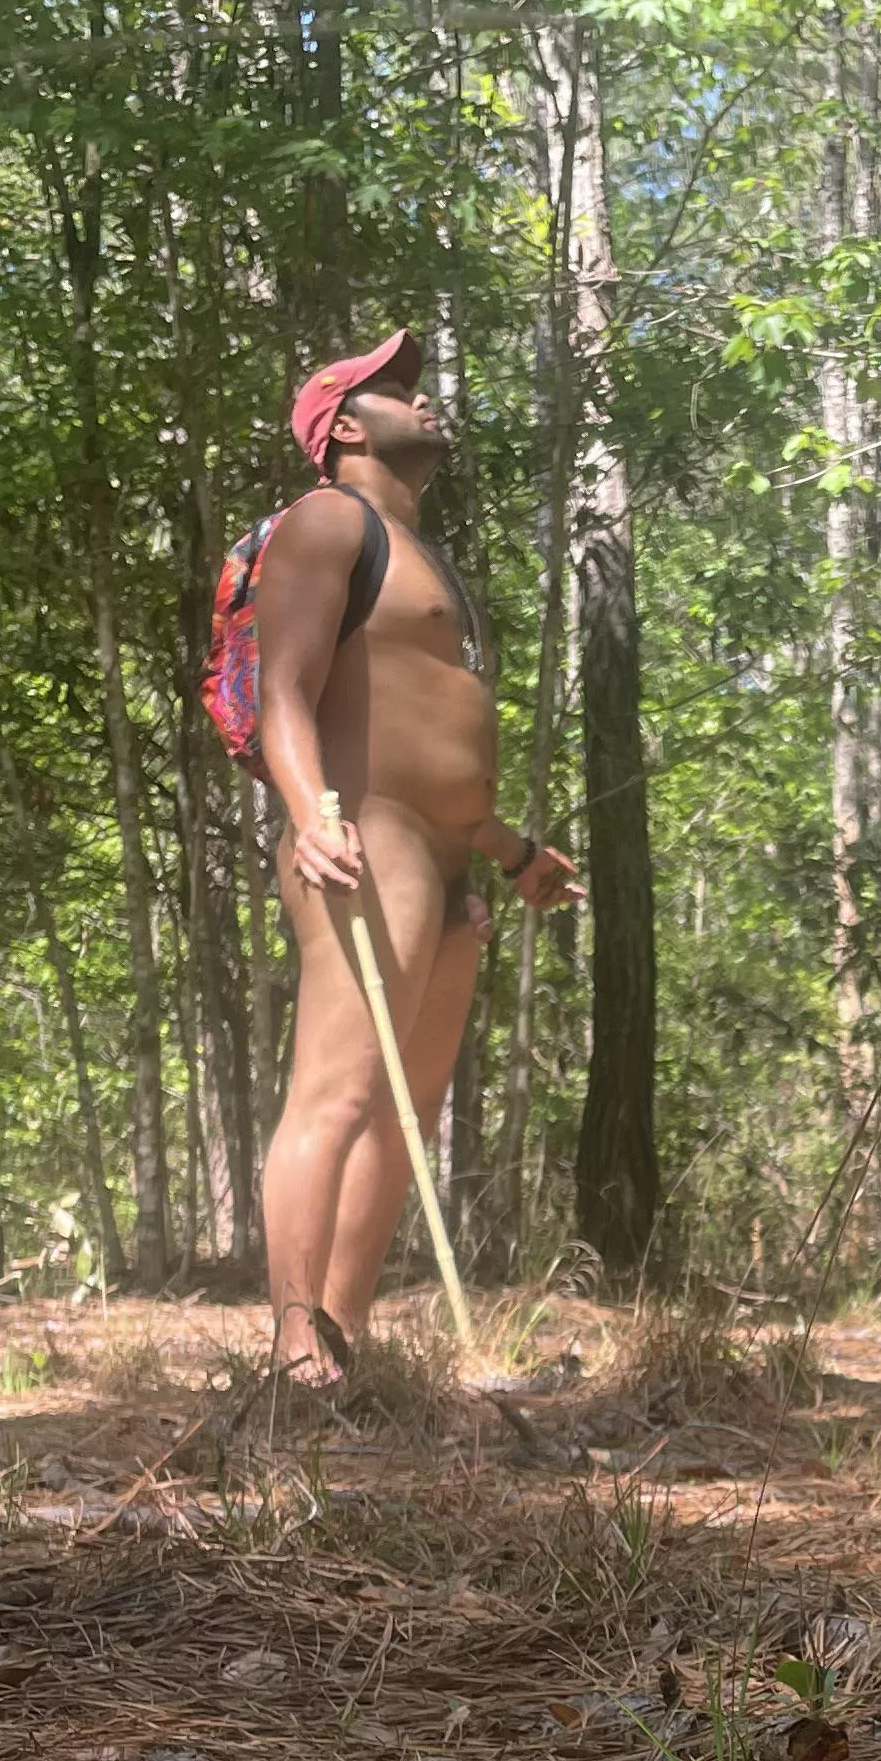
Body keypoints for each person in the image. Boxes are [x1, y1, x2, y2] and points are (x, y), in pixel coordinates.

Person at [252, 329, 574, 1388]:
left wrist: (509, 849)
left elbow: (427, 724)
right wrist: (313, 813)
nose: (422, 399)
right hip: (366, 836)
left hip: (449, 858)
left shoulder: (424, 555)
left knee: (406, 1112)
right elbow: (283, 696)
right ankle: (294, 1347)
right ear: (344, 423)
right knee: (336, 1097)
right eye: (395, 389)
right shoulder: (325, 521)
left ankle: (344, 1340)